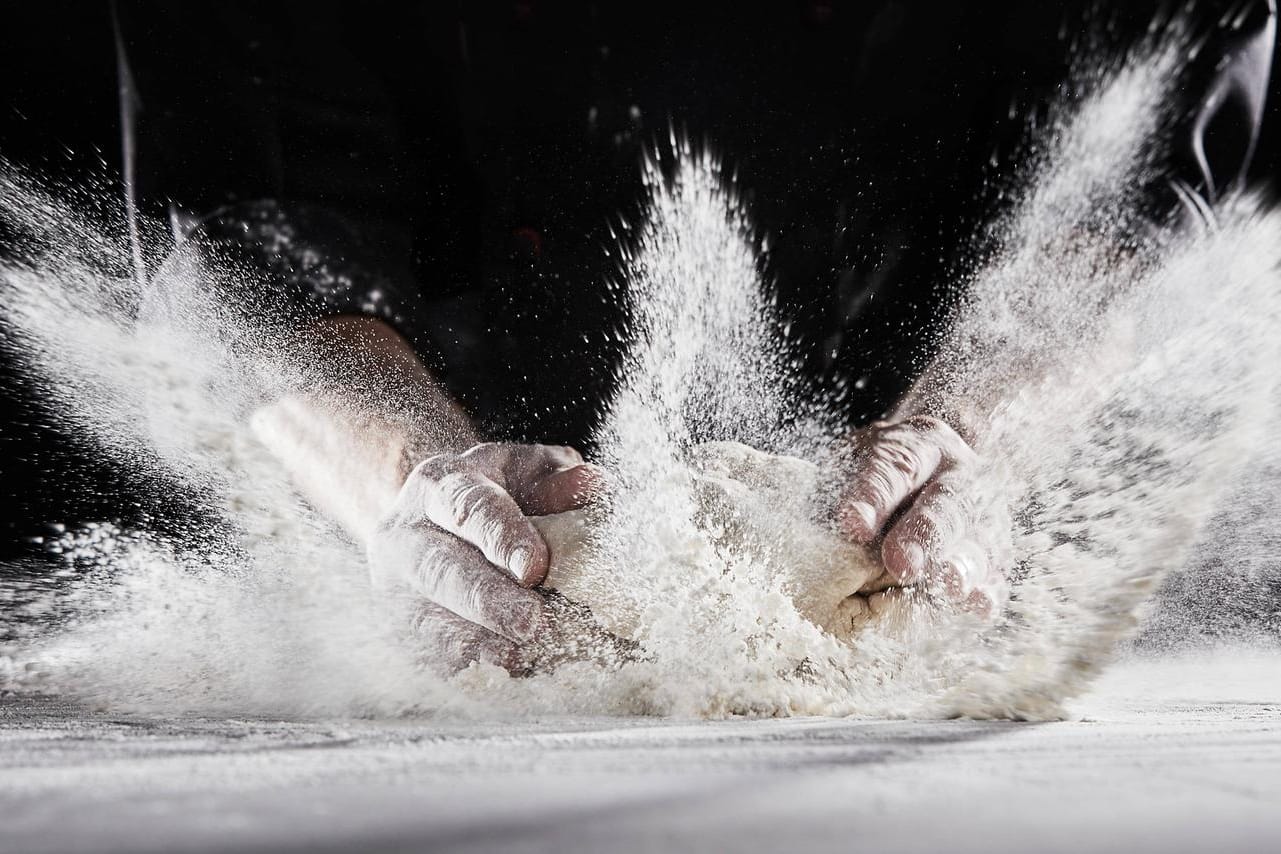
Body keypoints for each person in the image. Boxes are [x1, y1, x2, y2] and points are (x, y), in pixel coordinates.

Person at [2, 1, 1273, 672]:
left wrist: (978, 423)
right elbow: (249, 221)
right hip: (484, 458)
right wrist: (400, 472)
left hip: (934, 484)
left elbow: (1139, 185)